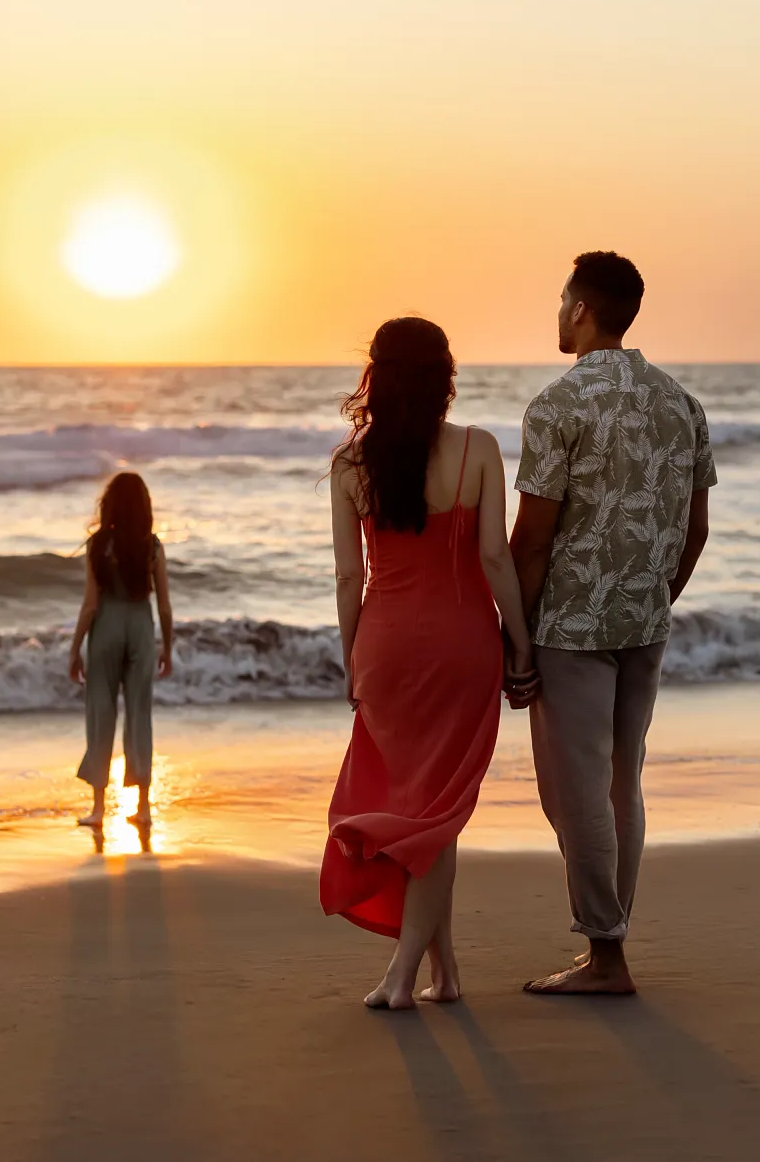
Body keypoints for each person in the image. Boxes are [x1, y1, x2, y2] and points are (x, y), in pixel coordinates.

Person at [509, 251, 715, 995]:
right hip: (645, 619)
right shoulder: (680, 403)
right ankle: (611, 937)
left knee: (575, 793)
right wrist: (660, 593)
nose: (558, 310)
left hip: (572, 626)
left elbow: (530, 539)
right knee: (622, 780)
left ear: (581, 310)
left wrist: (515, 635)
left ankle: (606, 955)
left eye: (562, 298)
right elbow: (695, 530)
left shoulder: (557, 405)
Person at [320, 317, 537, 1010]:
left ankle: (443, 972)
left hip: (384, 646)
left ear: (376, 378)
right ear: (443, 377)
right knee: (437, 813)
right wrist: (521, 640)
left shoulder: (350, 465)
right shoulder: (478, 449)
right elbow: (495, 558)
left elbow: (349, 578)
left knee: (423, 809)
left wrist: (353, 658)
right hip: (460, 646)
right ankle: (404, 974)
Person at [69, 471, 175, 828]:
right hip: (142, 628)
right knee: (139, 715)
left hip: (106, 629)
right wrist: (168, 647)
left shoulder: (99, 545)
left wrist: (74, 648)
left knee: (100, 714)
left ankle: (98, 810)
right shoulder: (153, 546)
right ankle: (143, 807)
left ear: (109, 504)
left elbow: (90, 605)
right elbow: (164, 605)